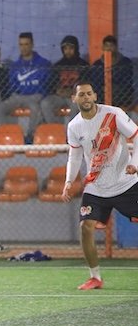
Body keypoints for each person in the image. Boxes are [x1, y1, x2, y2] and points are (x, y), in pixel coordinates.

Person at [62, 82, 138, 290]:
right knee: (85, 227)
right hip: (96, 187)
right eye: (81, 95)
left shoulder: (113, 114)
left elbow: (136, 136)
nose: (86, 97)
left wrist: (134, 163)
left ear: (95, 96)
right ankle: (95, 277)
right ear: (74, 99)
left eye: (89, 94)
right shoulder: (74, 126)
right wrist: (68, 181)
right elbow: (74, 155)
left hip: (125, 183)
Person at [0, 32, 52, 141]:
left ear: (32, 45)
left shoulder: (43, 63)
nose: (23, 47)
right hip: (17, 96)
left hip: (35, 96)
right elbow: (12, 85)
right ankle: (10, 135)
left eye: (26, 44)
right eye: (21, 44)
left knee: (35, 109)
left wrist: (37, 93)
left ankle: (29, 138)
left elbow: (46, 84)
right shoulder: (15, 65)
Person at [40, 35, 89, 124]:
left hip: (75, 96)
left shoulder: (83, 65)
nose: (68, 51)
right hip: (60, 96)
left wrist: (74, 92)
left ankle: (71, 130)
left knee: (76, 105)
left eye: (71, 48)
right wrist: (57, 90)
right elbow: (50, 84)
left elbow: (87, 84)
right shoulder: (58, 65)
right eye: (65, 49)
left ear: (76, 48)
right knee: (45, 103)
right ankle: (56, 128)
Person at [88, 35, 135, 111]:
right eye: (106, 45)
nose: (109, 48)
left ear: (116, 47)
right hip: (101, 98)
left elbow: (127, 83)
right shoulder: (97, 64)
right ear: (103, 47)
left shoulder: (125, 62)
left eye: (111, 46)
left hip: (121, 98)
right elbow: (95, 83)